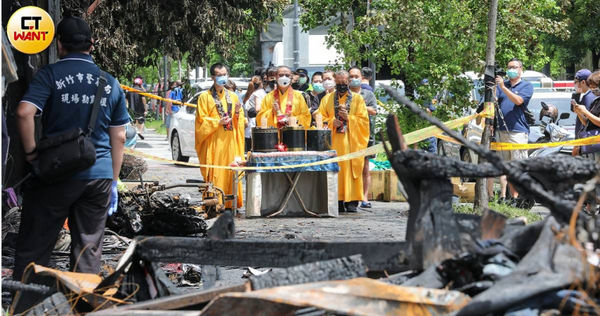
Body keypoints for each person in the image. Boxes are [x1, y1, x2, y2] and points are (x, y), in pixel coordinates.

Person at [13, 16, 129, 280]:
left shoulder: (50, 75)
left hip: (56, 173)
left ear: (59, 45)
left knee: (36, 245)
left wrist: (32, 155)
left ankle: (27, 306)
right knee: (88, 249)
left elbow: (23, 112)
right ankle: (84, 305)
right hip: (98, 175)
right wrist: (112, 179)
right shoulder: (109, 82)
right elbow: (119, 136)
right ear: (92, 44)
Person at [316, 70, 369, 213]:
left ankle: (352, 200)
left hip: (351, 143)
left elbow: (364, 122)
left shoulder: (357, 99)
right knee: (335, 170)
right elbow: (319, 118)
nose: (341, 85)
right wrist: (331, 121)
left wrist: (349, 118)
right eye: (338, 82)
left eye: (344, 82)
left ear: (348, 82)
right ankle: (337, 200)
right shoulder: (326, 100)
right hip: (333, 144)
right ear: (334, 82)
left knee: (350, 170)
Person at [195, 63, 245, 209]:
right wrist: (218, 122)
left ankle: (230, 202)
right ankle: (214, 203)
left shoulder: (233, 96)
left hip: (230, 141)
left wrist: (236, 113)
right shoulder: (205, 97)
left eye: (224, 74)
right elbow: (201, 120)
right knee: (216, 173)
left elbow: (239, 120)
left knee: (230, 171)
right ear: (213, 77)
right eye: (219, 75)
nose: (222, 77)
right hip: (214, 141)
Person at [495, 58, 534, 201]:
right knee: (507, 167)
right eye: (509, 66)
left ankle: (522, 197)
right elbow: (493, 100)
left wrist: (504, 88)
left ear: (520, 69)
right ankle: (513, 197)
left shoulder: (526, 86)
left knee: (518, 167)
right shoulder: (501, 85)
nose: (510, 69)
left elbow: (518, 101)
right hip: (501, 131)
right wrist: (494, 87)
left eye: (514, 67)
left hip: (518, 131)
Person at [349, 66, 378, 209]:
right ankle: (350, 196)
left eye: (356, 76)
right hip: (348, 136)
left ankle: (364, 197)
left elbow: (374, 111)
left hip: (366, 135)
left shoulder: (368, 94)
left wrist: (360, 106)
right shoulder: (344, 94)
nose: (354, 79)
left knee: (365, 166)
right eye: (351, 76)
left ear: (362, 78)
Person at [573, 71, 600, 161]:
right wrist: (579, 112)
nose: (592, 89)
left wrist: (585, 112)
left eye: (594, 87)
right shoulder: (596, 102)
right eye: (591, 87)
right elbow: (587, 123)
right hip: (591, 145)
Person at [571, 69, 593, 156]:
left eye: (576, 82)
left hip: (585, 141)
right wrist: (576, 94)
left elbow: (585, 122)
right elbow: (573, 109)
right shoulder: (585, 96)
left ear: (583, 82)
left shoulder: (588, 97)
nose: (575, 85)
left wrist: (578, 143)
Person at [243, 75, 266, 152]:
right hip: (255, 126)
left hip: (249, 127)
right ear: (261, 83)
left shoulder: (251, 93)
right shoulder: (259, 93)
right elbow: (257, 108)